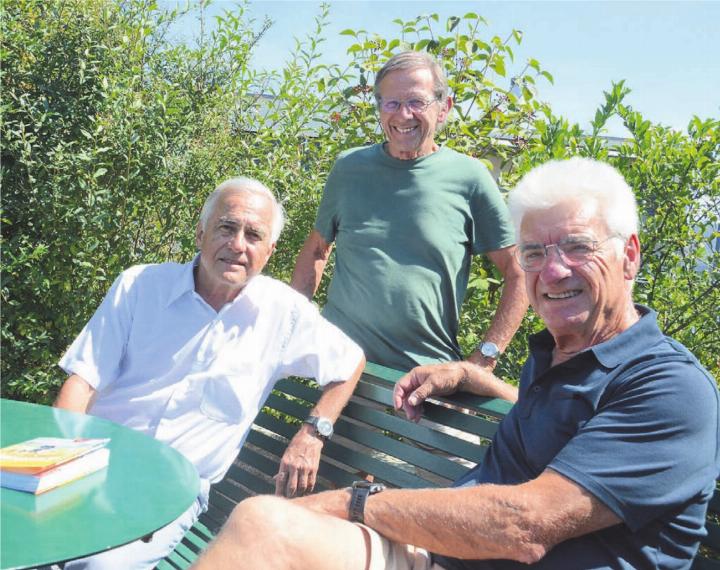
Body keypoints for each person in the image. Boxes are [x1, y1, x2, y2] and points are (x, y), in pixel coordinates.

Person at [191, 158, 719, 570]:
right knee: (262, 525)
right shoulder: (561, 356)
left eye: (578, 247)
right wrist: (475, 376)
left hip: (471, 556)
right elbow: (569, 425)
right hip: (445, 558)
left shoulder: (670, 387)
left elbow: (525, 525)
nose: (553, 271)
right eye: (533, 253)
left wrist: (356, 502)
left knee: (264, 525)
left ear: (630, 255)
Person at [54, 177, 365, 570]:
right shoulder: (140, 285)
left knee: (98, 566)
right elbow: (83, 379)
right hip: (94, 461)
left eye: (254, 235)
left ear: (269, 251)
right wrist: (61, 462)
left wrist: (313, 433)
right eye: (226, 227)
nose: (238, 245)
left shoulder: (282, 314)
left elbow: (350, 361)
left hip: (170, 490)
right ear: (201, 232)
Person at [291, 51, 528, 373]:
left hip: (423, 379)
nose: (404, 115)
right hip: (336, 366)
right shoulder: (349, 168)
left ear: (444, 108)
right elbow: (318, 249)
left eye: (417, 102)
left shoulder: (469, 177)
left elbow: (520, 272)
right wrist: (294, 324)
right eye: (391, 103)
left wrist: (485, 358)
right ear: (379, 109)